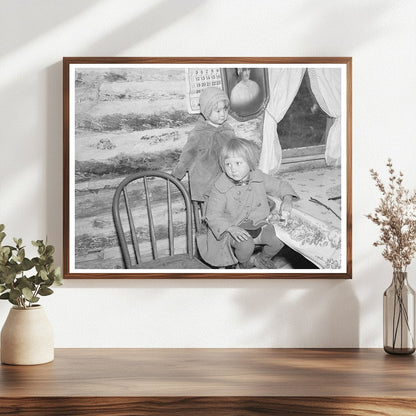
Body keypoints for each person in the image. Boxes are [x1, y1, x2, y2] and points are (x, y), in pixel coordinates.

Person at [197, 137, 298, 269]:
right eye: (228, 164)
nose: (232, 169)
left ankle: (261, 259)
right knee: (245, 245)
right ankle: (244, 265)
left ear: (250, 162)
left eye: (238, 163)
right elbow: (212, 215)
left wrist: (287, 198)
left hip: (258, 223)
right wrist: (231, 228)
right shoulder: (220, 187)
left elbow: (279, 185)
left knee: (278, 240)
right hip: (232, 228)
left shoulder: (258, 177)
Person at [172, 87, 235, 203]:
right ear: (207, 111)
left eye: (225, 110)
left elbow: (237, 153)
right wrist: (177, 174)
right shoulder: (198, 134)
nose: (223, 114)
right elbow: (187, 156)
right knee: (210, 216)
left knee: (226, 215)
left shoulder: (229, 132)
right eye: (218, 111)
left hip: (227, 184)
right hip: (205, 185)